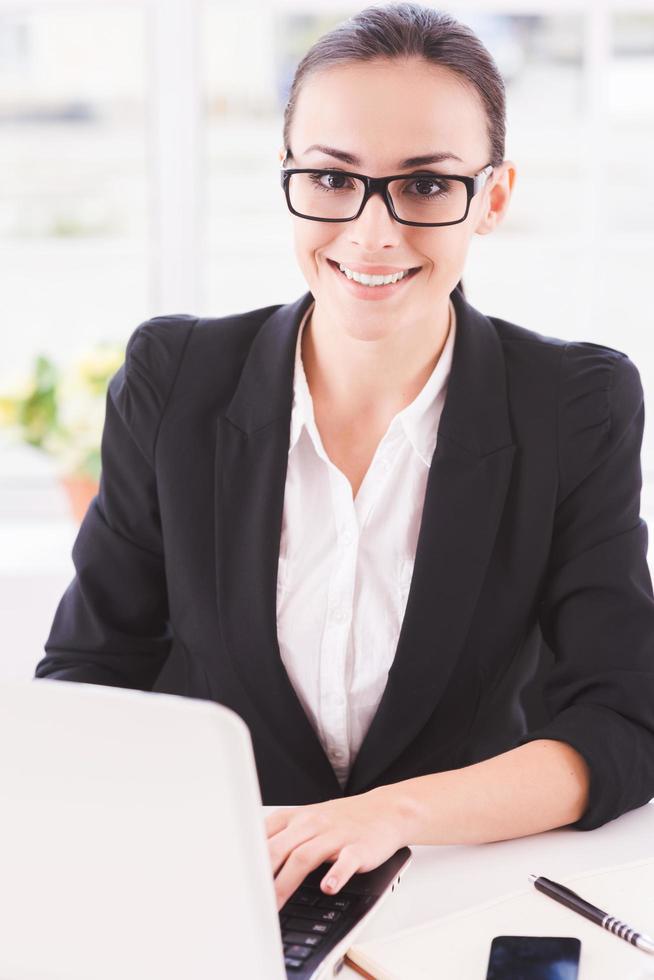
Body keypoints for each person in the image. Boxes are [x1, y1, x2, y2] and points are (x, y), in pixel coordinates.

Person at [36, 1, 654, 913]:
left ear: (494, 198)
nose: (372, 234)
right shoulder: (176, 379)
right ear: (288, 174)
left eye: (428, 185)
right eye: (332, 177)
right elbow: (88, 681)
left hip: (450, 896)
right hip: (214, 895)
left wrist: (391, 814)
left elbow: (624, 720)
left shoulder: (572, 404)